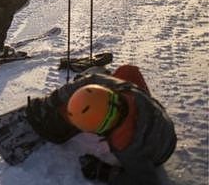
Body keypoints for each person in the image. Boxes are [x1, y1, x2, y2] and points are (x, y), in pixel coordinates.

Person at [25, 65, 177, 184]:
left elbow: (146, 182)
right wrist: (55, 98)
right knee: (127, 71)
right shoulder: (125, 90)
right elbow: (93, 80)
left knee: (74, 115)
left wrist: (105, 172)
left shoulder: (125, 145)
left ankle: (55, 127)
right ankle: (67, 109)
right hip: (152, 114)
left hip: (161, 149)